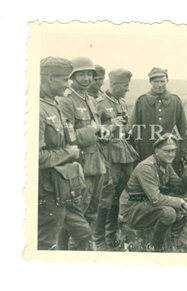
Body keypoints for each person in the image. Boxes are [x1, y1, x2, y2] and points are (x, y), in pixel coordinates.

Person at [38, 56, 92, 250]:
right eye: (64, 79)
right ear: (50, 78)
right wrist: (68, 153)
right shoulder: (36, 109)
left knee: (83, 232)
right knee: (45, 244)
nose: (68, 84)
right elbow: (35, 157)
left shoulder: (53, 104)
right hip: (46, 191)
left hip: (62, 186)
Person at [57, 56, 108, 249]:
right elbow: (65, 136)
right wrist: (93, 131)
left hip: (97, 165)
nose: (86, 78)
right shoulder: (66, 101)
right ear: (72, 76)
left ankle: (84, 251)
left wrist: (102, 132)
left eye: (89, 74)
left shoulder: (91, 100)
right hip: (79, 167)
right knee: (75, 217)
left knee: (92, 213)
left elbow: (95, 128)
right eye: (82, 74)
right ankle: (65, 255)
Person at [119, 133, 187, 252]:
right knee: (168, 212)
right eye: (167, 151)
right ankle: (155, 247)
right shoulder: (147, 167)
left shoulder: (165, 164)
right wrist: (178, 201)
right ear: (157, 151)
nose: (171, 154)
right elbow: (156, 199)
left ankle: (173, 238)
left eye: (173, 151)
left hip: (147, 204)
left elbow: (180, 190)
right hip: (133, 209)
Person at [93, 69, 139, 251]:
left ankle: (110, 235)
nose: (127, 90)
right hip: (108, 155)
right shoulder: (100, 103)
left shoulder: (122, 103)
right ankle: (98, 239)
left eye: (128, 86)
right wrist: (111, 128)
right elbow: (95, 133)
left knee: (118, 196)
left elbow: (125, 129)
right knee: (106, 197)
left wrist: (126, 130)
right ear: (114, 84)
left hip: (124, 154)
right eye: (125, 86)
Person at [130, 67, 187, 176]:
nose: (160, 85)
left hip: (172, 153)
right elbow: (134, 128)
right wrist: (136, 153)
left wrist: (183, 151)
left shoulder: (175, 100)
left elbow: (183, 128)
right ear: (150, 82)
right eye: (156, 82)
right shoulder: (141, 101)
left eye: (162, 81)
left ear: (167, 81)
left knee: (172, 181)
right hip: (147, 152)